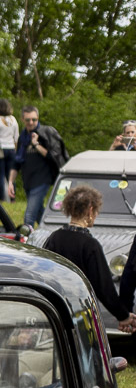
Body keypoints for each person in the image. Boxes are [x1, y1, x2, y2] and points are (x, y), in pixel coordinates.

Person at [43, 186, 130, 325]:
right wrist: (123, 316)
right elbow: (104, 288)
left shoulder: (54, 237)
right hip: (80, 312)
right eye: (96, 211)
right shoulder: (90, 245)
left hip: (56, 309)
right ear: (90, 210)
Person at [17, 106, 68, 227]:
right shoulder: (23, 137)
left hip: (42, 180)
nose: (31, 122)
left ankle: (25, 242)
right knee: (39, 213)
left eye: (34, 119)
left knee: (29, 216)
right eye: (28, 119)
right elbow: (17, 160)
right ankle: (51, 233)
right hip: (28, 181)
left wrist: (36, 144)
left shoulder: (46, 133)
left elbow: (53, 156)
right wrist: (10, 182)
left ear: (38, 119)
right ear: (22, 119)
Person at [0, 98, 20, 201]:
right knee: (10, 176)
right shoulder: (13, 119)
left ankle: (2, 199)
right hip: (11, 149)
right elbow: (16, 137)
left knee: (0, 175)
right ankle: (12, 198)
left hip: (0, 150)